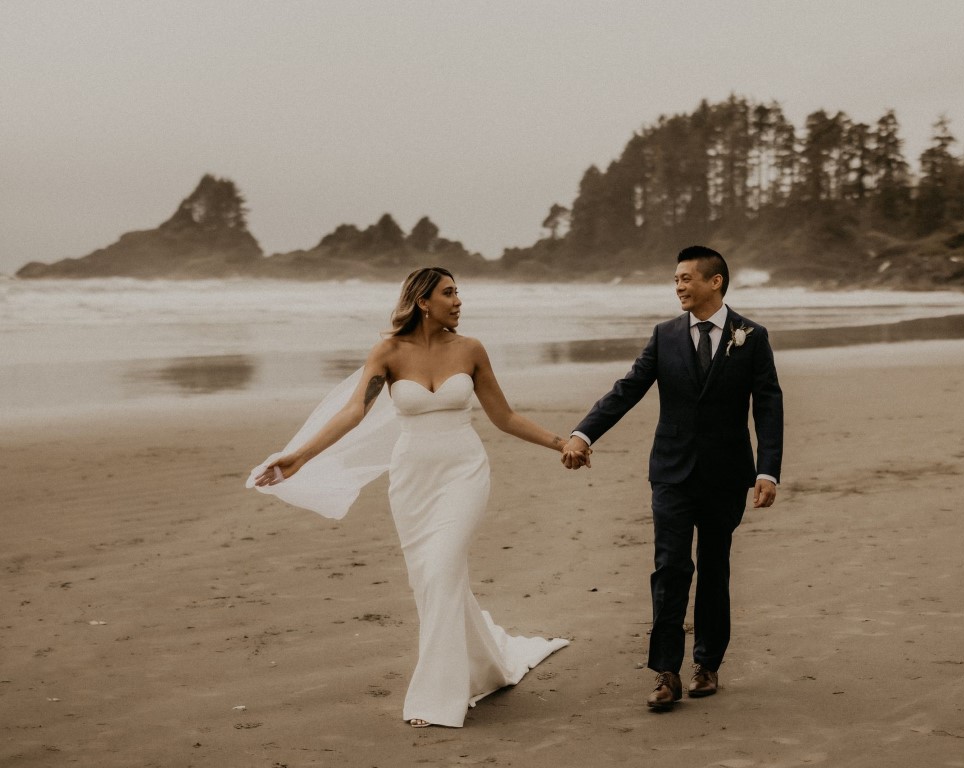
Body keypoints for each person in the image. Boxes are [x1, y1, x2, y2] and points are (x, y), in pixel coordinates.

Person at [248, 266, 570, 728]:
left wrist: (561, 443)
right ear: (423, 302)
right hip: (412, 480)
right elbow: (353, 412)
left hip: (464, 473)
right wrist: (299, 457)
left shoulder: (471, 350)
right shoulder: (389, 353)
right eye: (449, 293)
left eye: (458, 292)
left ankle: (435, 698)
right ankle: (486, 666)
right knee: (433, 580)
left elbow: (504, 417)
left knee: (441, 569)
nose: (458, 301)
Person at [561, 245, 783, 711]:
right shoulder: (664, 336)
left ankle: (707, 664)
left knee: (715, 568)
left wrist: (767, 470)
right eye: (676, 280)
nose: (678, 286)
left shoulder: (751, 336)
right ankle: (665, 672)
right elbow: (628, 389)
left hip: (726, 475)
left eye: (686, 278)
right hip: (671, 472)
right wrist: (583, 433)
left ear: (715, 281)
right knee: (670, 568)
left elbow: (768, 405)